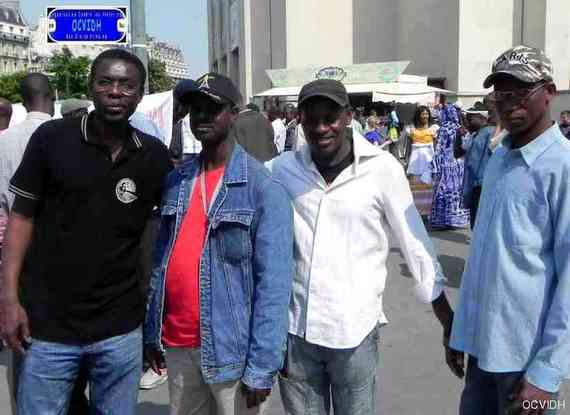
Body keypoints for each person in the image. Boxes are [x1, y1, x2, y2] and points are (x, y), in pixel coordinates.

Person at [266, 79, 454, 415]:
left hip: (354, 332)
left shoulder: (382, 169)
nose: (321, 127)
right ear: (300, 120)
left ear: (349, 116)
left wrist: (446, 317)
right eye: (312, 119)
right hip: (295, 333)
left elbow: (414, 241)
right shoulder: (282, 170)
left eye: (331, 117)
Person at [0, 49, 172, 415]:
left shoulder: (152, 156)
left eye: (127, 85)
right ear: (91, 88)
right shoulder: (52, 139)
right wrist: (9, 298)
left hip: (120, 331)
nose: (115, 91)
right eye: (106, 82)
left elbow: (156, 235)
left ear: (140, 95)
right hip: (47, 329)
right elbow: (21, 218)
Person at [144, 73, 293, 415]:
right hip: (178, 345)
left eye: (213, 108)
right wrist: (153, 331)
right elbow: (160, 261)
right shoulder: (176, 180)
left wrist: (262, 366)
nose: (202, 116)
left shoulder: (262, 189)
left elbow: (274, 286)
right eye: (195, 108)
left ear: (234, 113)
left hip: (232, 352)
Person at [447, 45, 570, 415]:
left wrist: (546, 372)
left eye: (520, 91)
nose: (508, 102)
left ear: (548, 91)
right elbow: (486, 255)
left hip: (525, 361)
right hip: (483, 348)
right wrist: (461, 334)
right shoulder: (500, 156)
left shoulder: (562, 167)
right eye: (501, 93)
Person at [429, 102, 470, 229]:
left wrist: (435, 164)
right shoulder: (460, 128)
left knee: (443, 189)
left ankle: (442, 218)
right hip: (459, 163)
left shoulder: (444, 128)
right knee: (456, 190)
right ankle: (455, 218)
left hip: (446, 163)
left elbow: (439, 148)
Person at [406, 105, 439, 184]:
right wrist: (406, 159)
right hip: (414, 161)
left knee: (429, 184)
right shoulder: (411, 129)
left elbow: (436, 146)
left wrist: (437, 160)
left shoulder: (433, 128)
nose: (425, 116)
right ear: (418, 115)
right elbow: (408, 146)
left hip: (429, 160)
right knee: (415, 183)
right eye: (423, 114)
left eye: (427, 114)